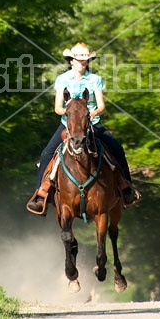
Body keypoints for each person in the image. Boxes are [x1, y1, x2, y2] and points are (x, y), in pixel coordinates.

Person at [27, 42, 138, 213]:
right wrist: (73, 115)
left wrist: (91, 115)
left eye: (85, 59)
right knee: (46, 154)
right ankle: (41, 195)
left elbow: (101, 106)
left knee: (116, 148)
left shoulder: (95, 80)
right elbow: (58, 108)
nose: (82, 62)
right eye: (79, 59)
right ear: (71, 60)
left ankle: (126, 189)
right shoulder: (62, 80)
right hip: (68, 125)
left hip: (92, 124)